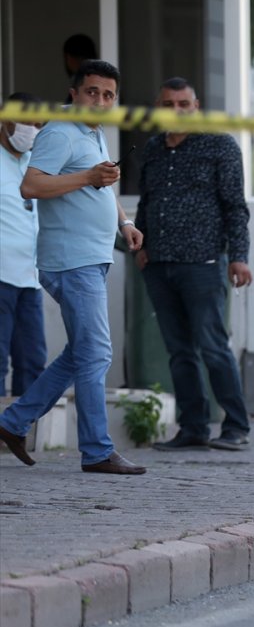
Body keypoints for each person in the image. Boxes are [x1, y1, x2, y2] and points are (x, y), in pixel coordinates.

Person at [0, 60, 146, 474]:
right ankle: (97, 450)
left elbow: (100, 184)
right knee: (97, 352)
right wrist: (87, 178)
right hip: (70, 261)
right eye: (92, 92)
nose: (99, 101)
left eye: (108, 95)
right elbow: (32, 185)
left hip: (91, 257)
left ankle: (12, 422)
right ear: (74, 93)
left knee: (80, 353)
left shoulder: (92, 133)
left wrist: (126, 222)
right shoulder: (62, 132)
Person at [136, 77, 253, 453]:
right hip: (159, 265)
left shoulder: (219, 145)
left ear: (196, 106)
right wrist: (141, 243)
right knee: (178, 350)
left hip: (203, 264)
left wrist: (238, 256)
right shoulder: (153, 149)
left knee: (213, 346)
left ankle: (235, 426)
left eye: (183, 104)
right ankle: (193, 427)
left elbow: (235, 206)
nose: (176, 111)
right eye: (168, 104)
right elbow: (146, 200)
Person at [0, 92, 46, 398]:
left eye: (38, 123)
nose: (32, 128)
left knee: (33, 360)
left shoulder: (36, 164)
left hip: (31, 278)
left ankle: (18, 431)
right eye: (26, 121)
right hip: (1, 276)